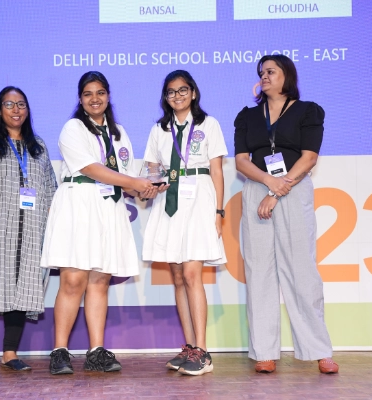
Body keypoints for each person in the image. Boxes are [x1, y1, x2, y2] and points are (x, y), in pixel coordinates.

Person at [40, 71, 155, 375]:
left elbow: (126, 177)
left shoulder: (119, 133)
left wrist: (146, 188)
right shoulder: (73, 128)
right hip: (79, 204)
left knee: (100, 280)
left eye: (100, 92)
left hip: (109, 207)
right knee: (72, 280)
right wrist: (134, 182)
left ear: (108, 96)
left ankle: (96, 351)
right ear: (80, 99)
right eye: (88, 93)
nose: (95, 99)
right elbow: (91, 168)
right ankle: (60, 351)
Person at [234, 54, 339, 374]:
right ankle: (264, 352)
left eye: (271, 71)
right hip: (258, 189)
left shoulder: (308, 111)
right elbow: (241, 161)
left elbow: (309, 157)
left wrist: (279, 189)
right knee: (259, 272)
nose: (264, 76)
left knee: (302, 271)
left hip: (293, 188)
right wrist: (269, 184)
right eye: (261, 72)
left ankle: (319, 350)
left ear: (287, 75)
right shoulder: (248, 116)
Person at [0, 86, 58, 374]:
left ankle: (9, 354)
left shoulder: (38, 147)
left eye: (21, 104)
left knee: (22, 288)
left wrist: (51, 234)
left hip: (30, 232)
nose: (16, 110)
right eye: (9, 104)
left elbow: (50, 190)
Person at [142, 70, 228, 376]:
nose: (177, 96)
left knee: (192, 274)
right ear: (165, 97)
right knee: (178, 276)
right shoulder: (159, 129)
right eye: (171, 92)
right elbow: (152, 167)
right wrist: (153, 183)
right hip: (170, 201)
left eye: (182, 90)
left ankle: (203, 352)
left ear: (193, 92)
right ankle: (190, 346)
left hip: (200, 200)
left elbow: (217, 171)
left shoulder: (208, 124)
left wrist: (219, 212)